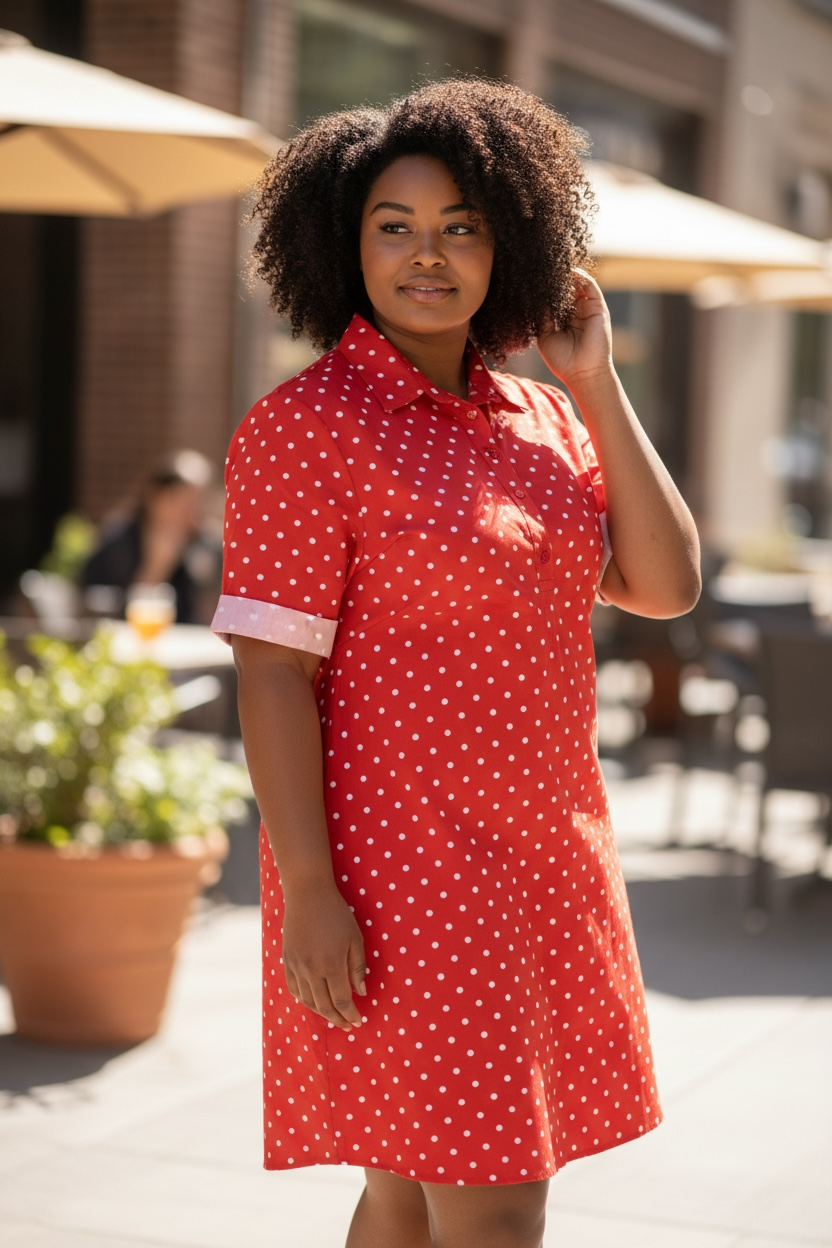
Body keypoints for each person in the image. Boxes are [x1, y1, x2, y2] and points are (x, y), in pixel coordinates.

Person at [212, 79, 700, 1248]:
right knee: (490, 1207)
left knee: (405, 1194)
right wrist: (311, 893)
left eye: (461, 226)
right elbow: (272, 674)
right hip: (400, 870)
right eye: (395, 226)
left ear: (508, 244)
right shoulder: (303, 427)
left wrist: (596, 377)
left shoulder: (546, 416)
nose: (426, 256)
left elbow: (664, 583)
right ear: (344, 242)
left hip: (546, 854)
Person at [80, 449, 221, 624]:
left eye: (200, 504)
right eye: (187, 503)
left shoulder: (207, 544)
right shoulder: (119, 541)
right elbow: (114, 615)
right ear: (156, 496)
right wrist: (156, 567)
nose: (194, 515)